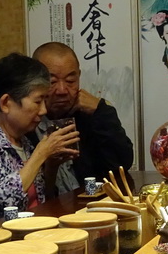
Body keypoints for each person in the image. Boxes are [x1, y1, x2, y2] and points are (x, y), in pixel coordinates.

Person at [0, 52, 80, 227]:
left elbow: (40, 200)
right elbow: (8, 200)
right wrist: (41, 153)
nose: (43, 110)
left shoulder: (23, 143)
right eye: (37, 102)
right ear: (6, 103)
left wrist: (51, 165)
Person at [32, 42, 134, 194]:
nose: (62, 90)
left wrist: (102, 112)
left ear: (79, 76)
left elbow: (121, 165)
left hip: (91, 208)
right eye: (52, 82)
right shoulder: (27, 121)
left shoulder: (91, 115)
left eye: (70, 81)